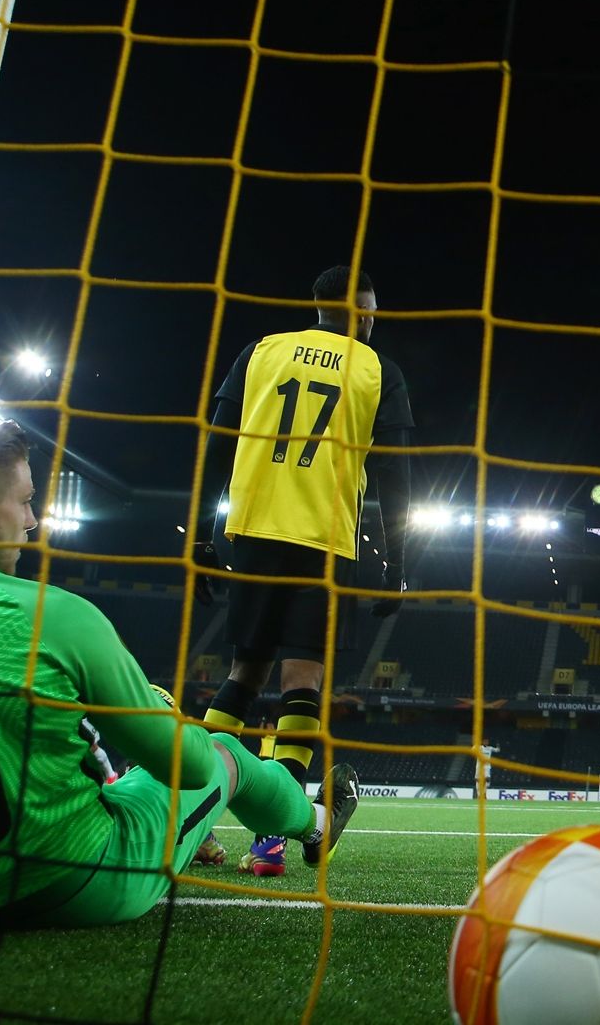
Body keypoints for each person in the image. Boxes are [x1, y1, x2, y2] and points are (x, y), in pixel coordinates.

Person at [0, 420, 353, 932]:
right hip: (75, 883)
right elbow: (188, 766)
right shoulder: (52, 614)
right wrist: (161, 714)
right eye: (25, 501)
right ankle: (315, 824)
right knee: (223, 751)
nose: (31, 521)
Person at [194, 265, 411, 877]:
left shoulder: (261, 352)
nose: (372, 324)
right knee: (302, 683)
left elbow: (217, 443)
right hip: (323, 539)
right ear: (359, 313)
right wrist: (398, 561)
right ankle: (270, 840)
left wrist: (201, 537)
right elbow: (396, 473)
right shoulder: (377, 370)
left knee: (243, 674)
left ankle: (193, 821)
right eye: (370, 314)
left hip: (253, 529)